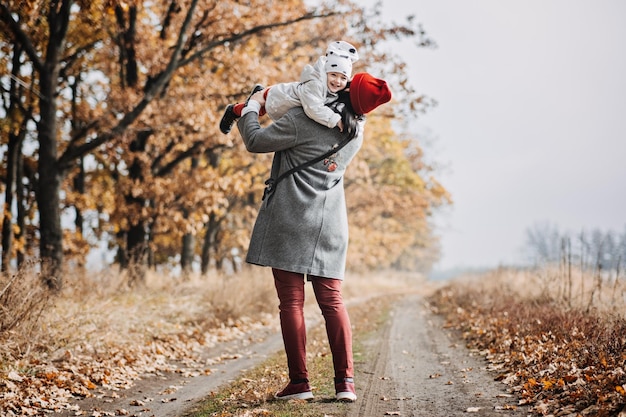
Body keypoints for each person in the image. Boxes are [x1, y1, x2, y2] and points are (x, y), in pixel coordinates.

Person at [235, 72, 392, 401]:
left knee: (291, 303)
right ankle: (345, 384)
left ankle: (300, 383)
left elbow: (256, 142)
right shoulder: (356, 132)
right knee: (333, 303)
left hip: (290, 221)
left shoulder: (303, 119)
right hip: (331, 223)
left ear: (348, 90)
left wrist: (250, 107)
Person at [219, 41, 359, 135]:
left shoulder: (332, 89)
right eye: (333, 75)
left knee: (261, 106)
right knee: (257, 109)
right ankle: (233, 110)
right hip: (278, 97)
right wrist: (335, 120)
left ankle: (260, 91)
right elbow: (314, 109)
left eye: (343, 78)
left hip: (286, 96)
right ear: (326, 73)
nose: (337, 81)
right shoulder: (315, 85)